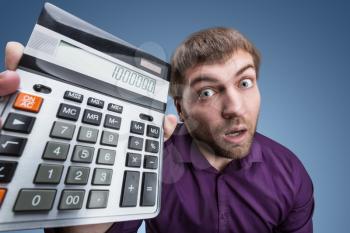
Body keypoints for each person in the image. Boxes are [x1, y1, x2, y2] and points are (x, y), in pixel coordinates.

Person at [1, 27, 314, 233]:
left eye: (245, 83)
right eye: (207, 92)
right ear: (180, 108)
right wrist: (60, 152)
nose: (235, 107)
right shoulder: (149, 154)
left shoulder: (290, 171)